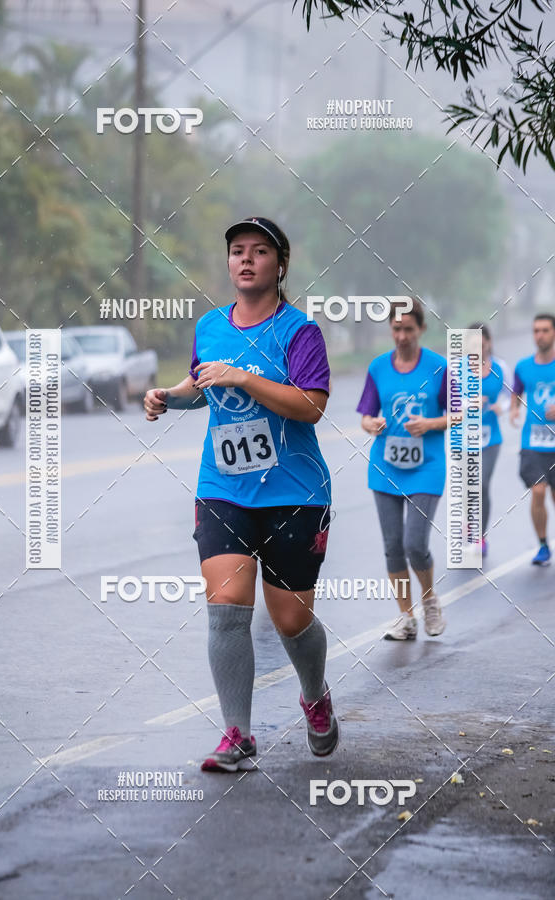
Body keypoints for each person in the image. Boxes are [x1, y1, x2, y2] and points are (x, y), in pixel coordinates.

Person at [144, 216, 338, 772]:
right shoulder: (210, 326)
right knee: (226, 610)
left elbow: (312, 406)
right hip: (223, 489)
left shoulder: (299, 331)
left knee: (291, 620)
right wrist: (168, 397)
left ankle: (315, 696)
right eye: (236, 251)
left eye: (258, 251)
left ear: (281, 265)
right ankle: (238, 735)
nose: (245, 259)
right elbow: (200, 386)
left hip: (295, 492)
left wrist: (245, 378)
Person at [357, 298, 448, 640]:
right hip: (385, 467)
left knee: (415, 544)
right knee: (393, 546)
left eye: (408, 329)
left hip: (426, 467)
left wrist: (430, 423)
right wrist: (372, 425)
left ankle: (429, 602)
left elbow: (458, 414)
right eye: (396, 328)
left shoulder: (438, 367)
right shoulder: (378, 367)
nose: (402, 335)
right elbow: (365, 414)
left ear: (421, 329)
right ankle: (405, 617)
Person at [510, 313, 555, 566]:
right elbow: (516, 392)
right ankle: (542, 545)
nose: (540, 335)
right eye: (536, 330)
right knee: (538, 491)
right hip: (533, 443)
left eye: (545, 330)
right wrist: (515, 409)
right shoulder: (523, 366)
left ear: (554, 333)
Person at [468, 322, 512, 557]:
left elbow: (510, 395)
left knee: (481, 484)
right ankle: (467, 521)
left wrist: (501, 406)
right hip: (464, 439)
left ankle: (480, 535)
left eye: (481, 343)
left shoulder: (501, 367)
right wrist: (468, 404)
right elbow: (447, 404)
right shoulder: (457, 369)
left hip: (491, 439)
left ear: (489, 342)